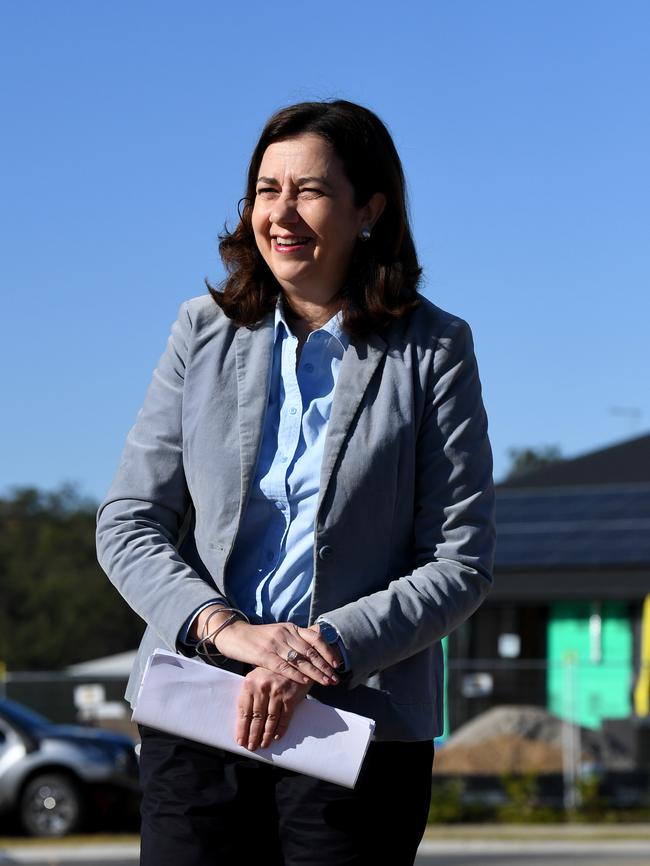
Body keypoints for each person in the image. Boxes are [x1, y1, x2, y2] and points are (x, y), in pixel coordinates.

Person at [96, 99, 496, 866]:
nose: (281, 213)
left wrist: (319, 652)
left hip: (357, 730)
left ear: (369, 210)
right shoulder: (198, 331)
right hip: (197, 715)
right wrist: (228, 630)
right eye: (266, 189)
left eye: (308, 190)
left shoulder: (437, 348)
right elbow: (127, 523)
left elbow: (459, 559)